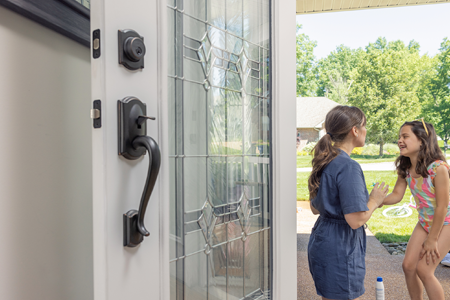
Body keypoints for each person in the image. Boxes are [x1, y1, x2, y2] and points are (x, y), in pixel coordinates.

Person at [307, 105, 388, 300]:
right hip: (340, 247)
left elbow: (314, 208)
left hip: (322, 239)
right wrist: (374, 201)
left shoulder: (325, 160)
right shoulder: (348, 166)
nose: (366, 131)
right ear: (355, 130)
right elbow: (356, 220)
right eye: (365, 126)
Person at [381, 119, 450, 300]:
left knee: (424, 270)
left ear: (422, 140)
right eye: (399, 137)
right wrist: (376, 201)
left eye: (405, 136)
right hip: (425, 222)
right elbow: (397, 194)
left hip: (445, 223)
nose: (400, 140)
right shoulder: (405, 168)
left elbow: (442, 207)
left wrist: (432, 239)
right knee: (409, 266)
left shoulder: (438, 168)